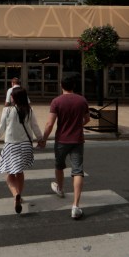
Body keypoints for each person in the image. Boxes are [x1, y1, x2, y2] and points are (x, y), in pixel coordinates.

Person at [39, 76, 90, 220]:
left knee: (59, 165)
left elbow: (49, 124)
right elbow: (87, 119)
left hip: (61, 140)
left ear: (61, 85)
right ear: (74, 85)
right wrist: (78, 124)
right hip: (78, 140)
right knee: (78, 171)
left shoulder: (56, 101)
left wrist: (43, 139)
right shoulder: (82, 100)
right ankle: (76, 206)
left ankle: (60, 189)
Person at [0, 88, 43, 214]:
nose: (10, 98)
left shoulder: (7, 110)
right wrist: (40, 138)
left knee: (9, 173)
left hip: (12, 145)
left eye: (12, 96)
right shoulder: (29, 110)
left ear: (14, 98)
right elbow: (35, 126)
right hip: (26, 145)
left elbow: (2, 125)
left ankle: (16, 194)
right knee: (19, 171)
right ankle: (20, 195)